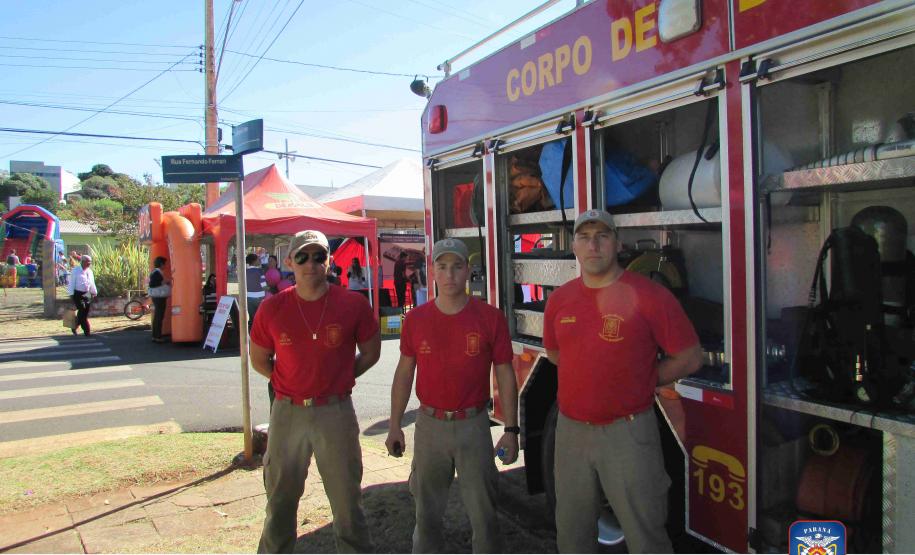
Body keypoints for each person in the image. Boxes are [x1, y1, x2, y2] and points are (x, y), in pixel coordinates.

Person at [542, 210, 704, 553]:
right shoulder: (559, 300)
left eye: (602, 236)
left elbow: (690, 357)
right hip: (571, 435)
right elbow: (555, 354)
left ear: (618, 244)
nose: (593, 245)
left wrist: (641, 379)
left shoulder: (650, 296)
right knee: (571, 534)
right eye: (585, 237)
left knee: (646, 535)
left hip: (628, 435)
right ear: (574, 246)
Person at [250, 229, 381, 554]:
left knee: (347, 501)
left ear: (329, 261)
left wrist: (338, 378)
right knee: (280, 501)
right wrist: (290, 382)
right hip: (288, 412)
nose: (311, 264)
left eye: (319, 256)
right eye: (303, 257)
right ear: (289, 262)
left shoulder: (353, 304)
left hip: (335, 413)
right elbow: (259, 359)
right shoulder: (272, 308)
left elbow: (371, 352)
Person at [386, 238, 519, 553]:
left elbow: (505, 374)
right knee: (426, 515)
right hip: (429, 427)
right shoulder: (416, 320)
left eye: (457, 266)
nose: (449, 275)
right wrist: (394, 425)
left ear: (468, 271)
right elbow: (404, 373)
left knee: (485, 516)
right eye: (442, 267)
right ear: (432, 271)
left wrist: (511, 430)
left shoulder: (489, 317)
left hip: (474, 426)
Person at [67, 254, 97, 336]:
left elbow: (92, 283)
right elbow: (71, 283)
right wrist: (71, 294)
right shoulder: (75, 271)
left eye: (90, 262)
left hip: (87, 293)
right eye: (88, 262)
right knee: (82, 309)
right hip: (78, 293)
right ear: (83, 262)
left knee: (85, 312)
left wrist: (94, 292)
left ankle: (74, 326)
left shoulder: (89, 271)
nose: (89, 264)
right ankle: (87, 331)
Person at [148, 256, 172, 343]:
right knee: (159, 316)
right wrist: (167, 282)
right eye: (164, 264)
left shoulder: (154, 272)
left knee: (157, 316)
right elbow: (156, 283)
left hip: (156, 296)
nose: (165, 266)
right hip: (159, 297)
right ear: (161, 264)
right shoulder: (157, 273)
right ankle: (158, 336)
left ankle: (155, 336)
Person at [245, 252, 267, 324]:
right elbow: (264, 286)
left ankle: (251, 329)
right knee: (260, 317)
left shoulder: (245, 271)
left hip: (248, 297)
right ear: (254, 261)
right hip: (260, 297)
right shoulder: (260, 271)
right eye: (258, 259)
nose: (259, 260)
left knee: (252, 317)